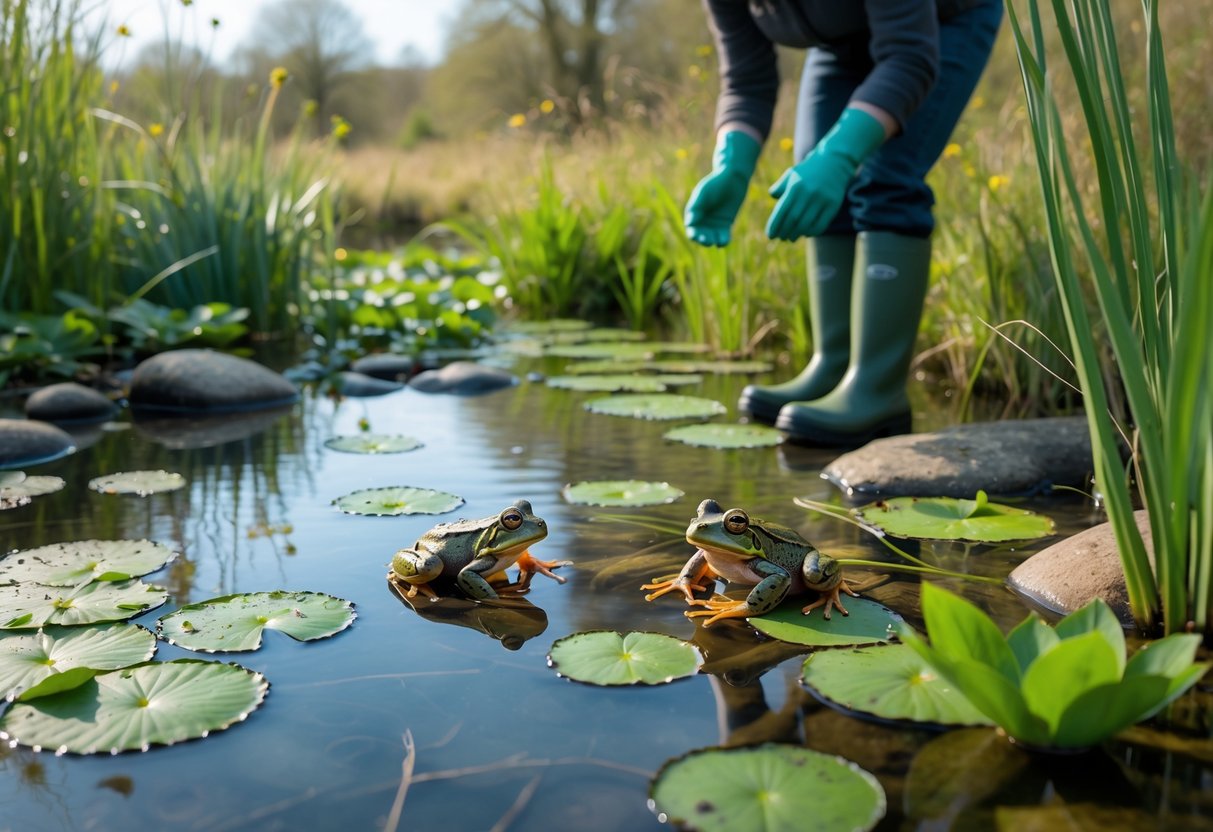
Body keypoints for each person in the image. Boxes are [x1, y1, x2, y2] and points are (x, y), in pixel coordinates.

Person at [684, 0, 1003, 446]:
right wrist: (732, 165)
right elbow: (746, 80)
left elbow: (909, 58)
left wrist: (839, 156)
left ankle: (877, 389)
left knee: (885, 179)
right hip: (841, 44)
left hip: (940, 25)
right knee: (813, 174)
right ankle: (833, 366)